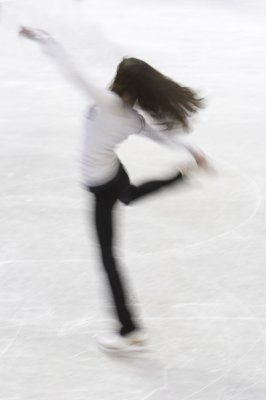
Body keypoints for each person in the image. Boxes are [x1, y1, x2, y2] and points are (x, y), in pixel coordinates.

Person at [19, 27, 208, 351]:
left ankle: (129, 328)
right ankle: (180, 177)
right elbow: (161, 137)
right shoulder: (132, 119)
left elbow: (71, 70)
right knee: (129, 195)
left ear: (119, 78)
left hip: (102, 184)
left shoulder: (105, 102)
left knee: (108, 258)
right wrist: (191, 151)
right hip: (113, 174)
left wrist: (45, 39)